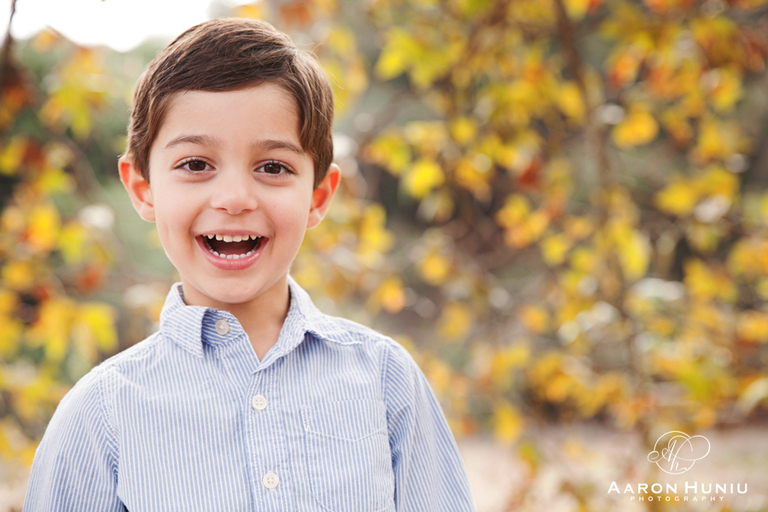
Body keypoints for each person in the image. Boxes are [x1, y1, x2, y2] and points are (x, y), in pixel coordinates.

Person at [23, 17, 475, 512]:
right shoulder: (99, 415)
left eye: (273, 167)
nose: (235, 198)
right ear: (142, 188)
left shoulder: (386, 380)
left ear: (319, 196)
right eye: (196, 165)